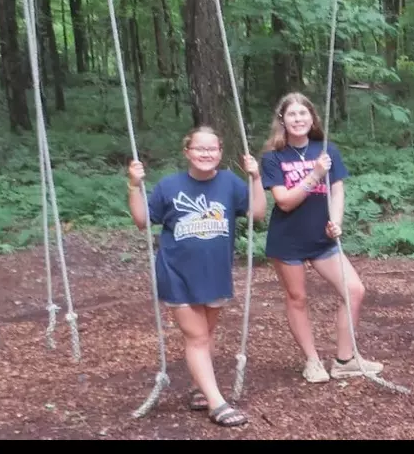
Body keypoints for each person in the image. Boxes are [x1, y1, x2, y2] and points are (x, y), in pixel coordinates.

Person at [127, 125, 266, 427]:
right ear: (187, 152)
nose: (206, 153)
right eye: (199, 148)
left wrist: (255, 178)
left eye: (212, 148)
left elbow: (257, 214)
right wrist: (133, 185)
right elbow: (142, 221)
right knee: (198, 337)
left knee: (206, 335)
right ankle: (217, 402)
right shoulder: (169, 186)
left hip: (215, 273)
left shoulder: (230, 183)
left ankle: (197, 387)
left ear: (220, 152)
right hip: (176, 272)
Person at [260, 92, 383, 384]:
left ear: (312, 118)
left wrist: (336, 221)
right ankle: (312, 360)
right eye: (292, 114)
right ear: (282, 120)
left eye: (304, 113)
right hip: (287, 238)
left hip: (322, 237)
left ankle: (344, 359)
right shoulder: (272, 157)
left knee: (354, 290)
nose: (298, 119)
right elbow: (284, 202)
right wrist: (314, 175)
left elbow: (337, 190)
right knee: (298, 298)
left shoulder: (327, 150)